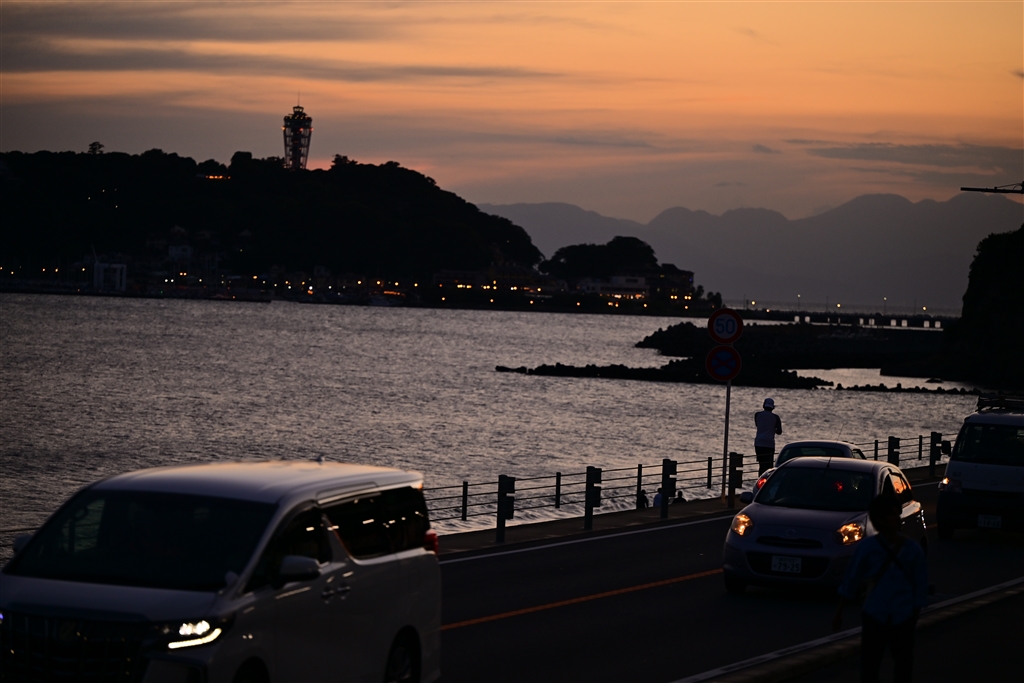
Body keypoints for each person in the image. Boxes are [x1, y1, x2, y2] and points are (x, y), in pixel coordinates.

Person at [832, 496, 928, 683]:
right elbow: (852, 579)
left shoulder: (909, 549)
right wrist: (839, 611)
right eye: (892, 515)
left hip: (891, 614)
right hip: (883, 614)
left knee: (888, 665)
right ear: (879, 520)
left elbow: (920, 584)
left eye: (897, 514)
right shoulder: (872, 548)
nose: (897, 519)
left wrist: (914, 613)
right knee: (881, 665)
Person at [754, 397, 782, 474]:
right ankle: (767, 480)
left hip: (759, 443)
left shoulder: (757, 415)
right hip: (769, 444)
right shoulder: (776, 417)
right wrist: (773, 429)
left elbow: (757, 425)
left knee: (761, 464)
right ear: (773, 407)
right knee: (768, 466)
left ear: (764, 405)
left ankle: (760, 478)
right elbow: (779, 431)